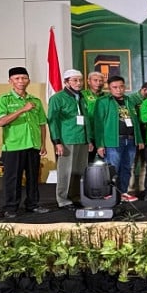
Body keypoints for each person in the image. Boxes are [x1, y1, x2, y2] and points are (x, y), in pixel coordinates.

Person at [0, 66, 49, 217]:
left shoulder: (35, 101)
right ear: (10, 81)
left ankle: (33, 204)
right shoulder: (4, 100)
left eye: (24, 78)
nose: (21, 81)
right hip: (14, 146)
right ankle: (11, 208)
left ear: (28, 80)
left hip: (33, 145)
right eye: (17, 78)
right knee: (13, 179)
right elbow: (1, 122)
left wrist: (43, 144)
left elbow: (42, 124)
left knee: (33, 178)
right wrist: (22, 110)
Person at [93, 75, 142, 202]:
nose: (119, 90)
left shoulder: (129, 101)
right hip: (113, 140)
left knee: (127, 167)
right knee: (112, 168)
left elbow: (136, 121)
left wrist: (139, 139)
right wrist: (100, 144)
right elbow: (98, 124)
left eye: (121, 87)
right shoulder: (103, 101)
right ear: (109, 88)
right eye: (115, 87)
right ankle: (109, 193)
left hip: (130, 139)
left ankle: (123, 192)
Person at [47, 69, 90, 210]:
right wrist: (57, 142)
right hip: (67, 139)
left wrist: (89, 139)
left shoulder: (82, 97)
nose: (79, 83)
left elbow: (86, 119)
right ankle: (63, 200)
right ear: (66, 82)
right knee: (65, 171)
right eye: (75, 80)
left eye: (80, 80)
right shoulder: (57, 98)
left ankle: (76, 197)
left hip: (82, 139)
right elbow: (52, 121)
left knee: (79, 171)